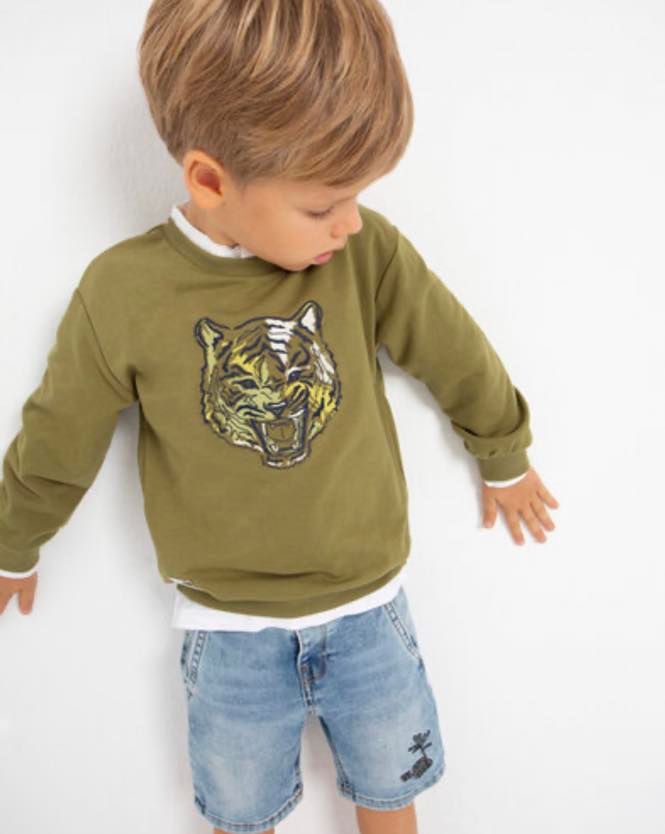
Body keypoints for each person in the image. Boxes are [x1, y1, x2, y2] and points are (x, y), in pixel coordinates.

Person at [0, 1, 560, 832]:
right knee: (240, 814)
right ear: (209, 180)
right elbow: (60, 437)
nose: (350, 221)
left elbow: (453, 349)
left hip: (369, 608)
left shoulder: (363, 254)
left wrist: (503, 451)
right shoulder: (123, 292)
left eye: (357, 196)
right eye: (323, 205)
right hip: (228, 630)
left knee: (390, 791)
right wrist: (13, 540)